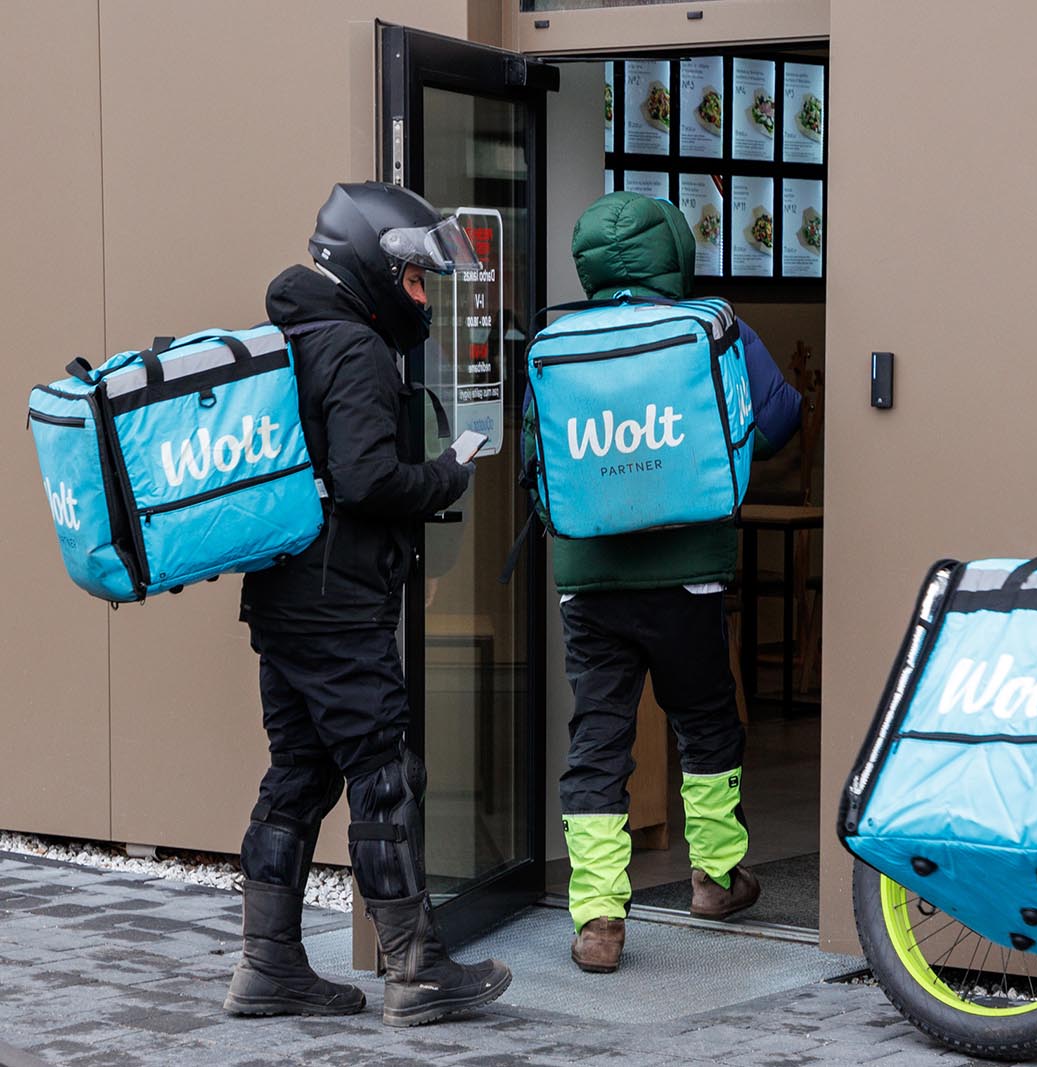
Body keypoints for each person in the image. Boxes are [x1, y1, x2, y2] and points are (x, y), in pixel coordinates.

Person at [227, 181, 511, 1026]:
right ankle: (417, 969)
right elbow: (366, 480)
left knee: (299, 773)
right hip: (337, 606)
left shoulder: (296, 336)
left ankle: (268, 966)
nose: (420, 298)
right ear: (371, 267)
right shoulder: (354, 348)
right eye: (415, 281)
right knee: (386, 775)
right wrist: (449, 473)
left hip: (284, 597)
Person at [546, 191, 802, 974]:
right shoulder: (713, 326)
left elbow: (536, 458)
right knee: (706, 721)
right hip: (688, 573)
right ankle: (716, 878)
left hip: (589, 580)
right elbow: (778, 417)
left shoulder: (561, 339)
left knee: (597, 738)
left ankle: (598, 918)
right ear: (676, 254)